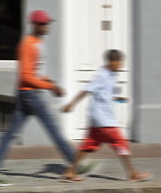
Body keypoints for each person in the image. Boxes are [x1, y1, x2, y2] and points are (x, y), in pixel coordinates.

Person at [0, 10, 86, 186]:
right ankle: (74, 164)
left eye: (47, 23)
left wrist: (49, 81)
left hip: (28, 94)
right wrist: (51, 87)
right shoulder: (28, 44)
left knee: (10, 134)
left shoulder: (38, 43)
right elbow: (26, 76)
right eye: (44, 24)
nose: (47, 27)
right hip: (30, 94)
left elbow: (36, 72)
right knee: (53, 129)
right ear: (35, 25)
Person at [59, 49, 151, 183]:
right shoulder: (102, 76)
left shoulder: (112, 75)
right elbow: (86, 90)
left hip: (99, 120)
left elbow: (105, 95)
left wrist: (119, 98)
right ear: (112, 62)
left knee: (87, 146)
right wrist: (71, 104)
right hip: (103, 120)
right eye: (119, 62)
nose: (121, 65)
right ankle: (132, 174)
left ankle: (70, 171)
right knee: (121, 143)